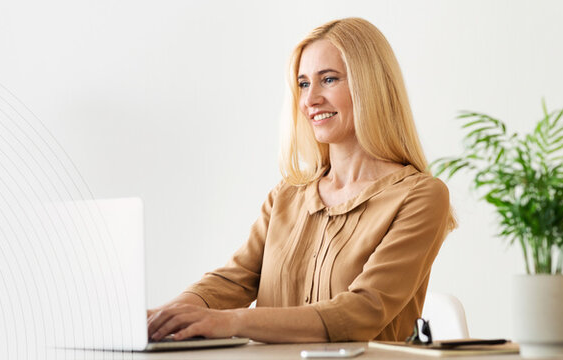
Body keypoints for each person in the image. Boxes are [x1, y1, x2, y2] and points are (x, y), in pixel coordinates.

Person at [146, 17, 456, 343]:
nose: (310, 99)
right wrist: (161, 317)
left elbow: (364, 310)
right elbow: (234, 280)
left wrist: (231, 322)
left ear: (371, 85)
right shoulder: (287, 195)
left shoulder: (420, 196)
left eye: (329, 79)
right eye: (303, 84)